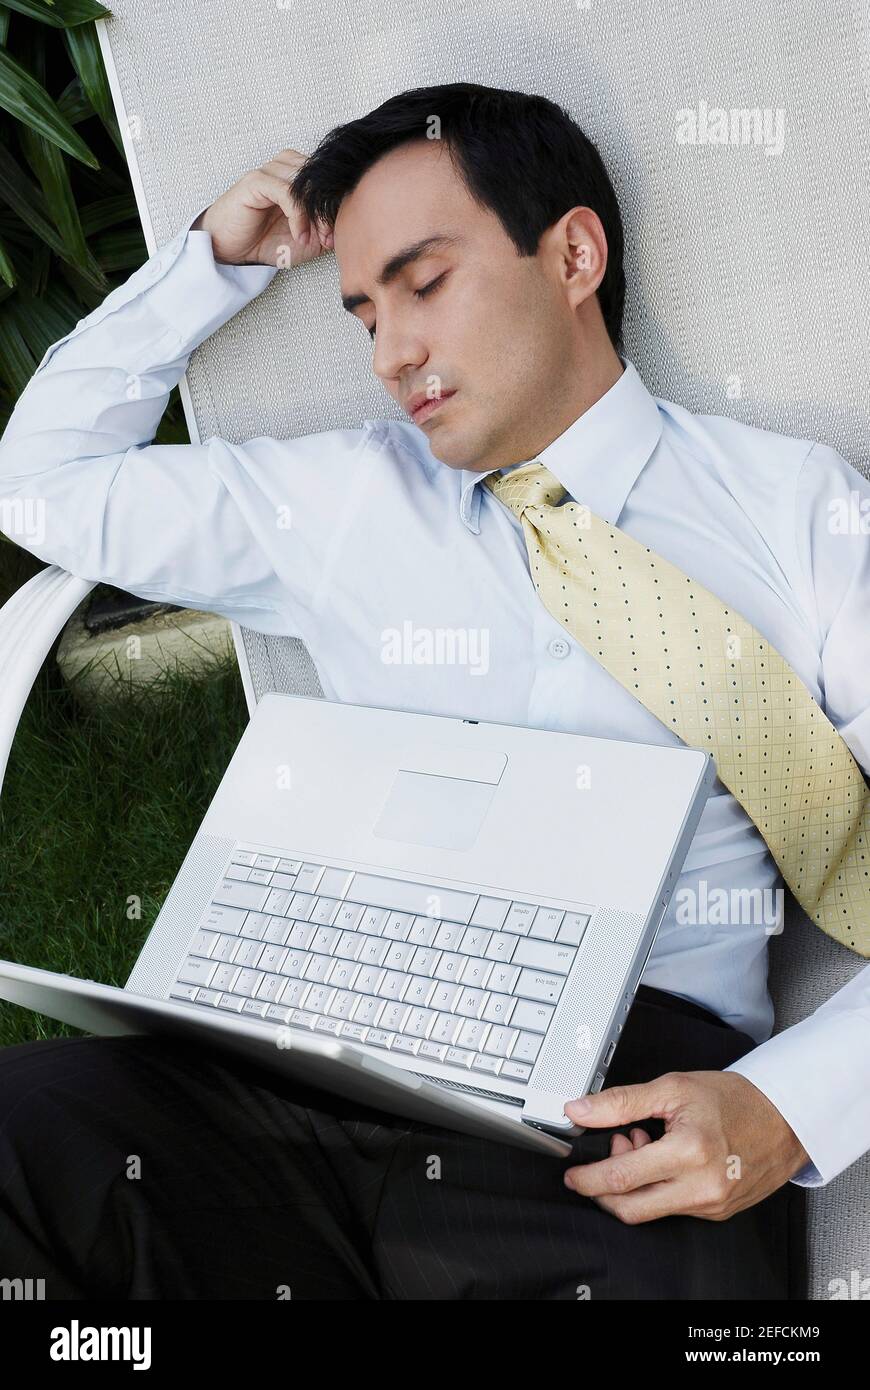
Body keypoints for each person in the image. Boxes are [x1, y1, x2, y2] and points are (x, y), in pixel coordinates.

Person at [0, 81, 867, 1300]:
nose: (391, 352)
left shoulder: (794, 514)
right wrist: (211, 265)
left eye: (424, 282)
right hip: (306, 1054)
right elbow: (41, 487)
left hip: (614, 1096)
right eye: (361, 311)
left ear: (572, 253)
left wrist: (787, 1105)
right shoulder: (336, 503)